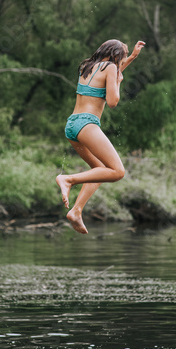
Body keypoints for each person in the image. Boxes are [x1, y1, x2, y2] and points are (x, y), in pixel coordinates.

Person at [56, 39, 145, 234]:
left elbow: (109, 73)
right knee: (117, 171)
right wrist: (119, 83)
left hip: (72, 124)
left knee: (100, 170)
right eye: (123, 55)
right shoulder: (112, 68)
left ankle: (76, 211)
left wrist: (131, 58)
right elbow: (113, 101)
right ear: (115, 55)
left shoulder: (87, 66)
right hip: (87, 124)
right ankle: (67, 179)